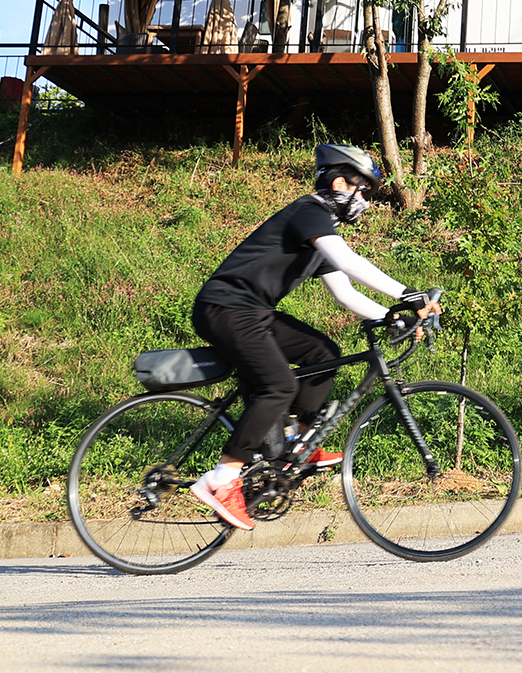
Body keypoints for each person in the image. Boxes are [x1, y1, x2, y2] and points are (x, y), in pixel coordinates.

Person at [187, 142, 440, 530]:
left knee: (322, 352)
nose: (367, 202)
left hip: (253, 312)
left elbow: (345, 292)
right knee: (278, 385)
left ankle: (297, 445)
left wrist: (393, 318)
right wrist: (408, 295)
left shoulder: (319, 231)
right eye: (364, 190)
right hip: (226, 309)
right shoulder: (309, 213)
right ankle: (220, 479)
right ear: (340, 182)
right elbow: (347, 261)